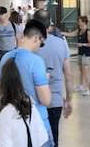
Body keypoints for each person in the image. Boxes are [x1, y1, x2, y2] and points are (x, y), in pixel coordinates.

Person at [0, 19, 53, 145]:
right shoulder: (36, 61)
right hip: (36, 126)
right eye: (41, 43)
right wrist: (46, 81)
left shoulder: (5, 58)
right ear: (36, 38)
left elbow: (1, 89)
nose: (40, 47)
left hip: (13, 125)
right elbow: (46, 100)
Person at [31, 12, 73, 143]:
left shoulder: (30, 45)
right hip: (55, 100)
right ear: (49, 26)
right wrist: (69, 100)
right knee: (53, 137)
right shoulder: (61, 43)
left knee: (35, 139)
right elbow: (68, 75)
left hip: (34, 100)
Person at [0, 58, 51, 147]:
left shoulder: (6, 112)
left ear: (3, 83)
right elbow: (42, 137)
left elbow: (4, 143)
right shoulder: (29, 102)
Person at [76, 15, 90, 96]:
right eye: (78, 21)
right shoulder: (79, 31)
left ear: (84, 22)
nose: (78, 23)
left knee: (85, 72)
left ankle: (88, 89)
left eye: (80, 21)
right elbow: (71, 34)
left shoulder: (88, 32)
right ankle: (81, 86)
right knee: (81, 71)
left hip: (86, 54)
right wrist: (61, 33)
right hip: (81, 53)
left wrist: (82, 44)